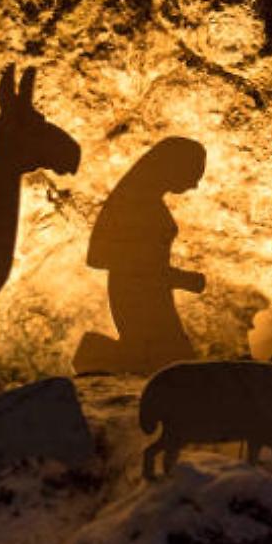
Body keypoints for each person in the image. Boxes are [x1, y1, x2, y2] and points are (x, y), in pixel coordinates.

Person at [73, 137, 207, 374]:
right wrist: (182, 279)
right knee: (169, 362)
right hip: (137, 297)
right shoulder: (139, 205)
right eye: (194, 173)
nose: (195, 184)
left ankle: (96, 355)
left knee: (169, 361)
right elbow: (135, 267)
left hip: (150, 294)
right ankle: (93, 353)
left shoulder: (143, 201)